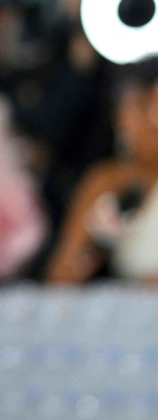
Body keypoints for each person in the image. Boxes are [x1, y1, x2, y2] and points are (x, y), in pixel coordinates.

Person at [46, 57, 158, 284]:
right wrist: (92, 247)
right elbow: (59, 277)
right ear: (119, 117)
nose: (153, 120)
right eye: (141, 105)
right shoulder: (108, 181)